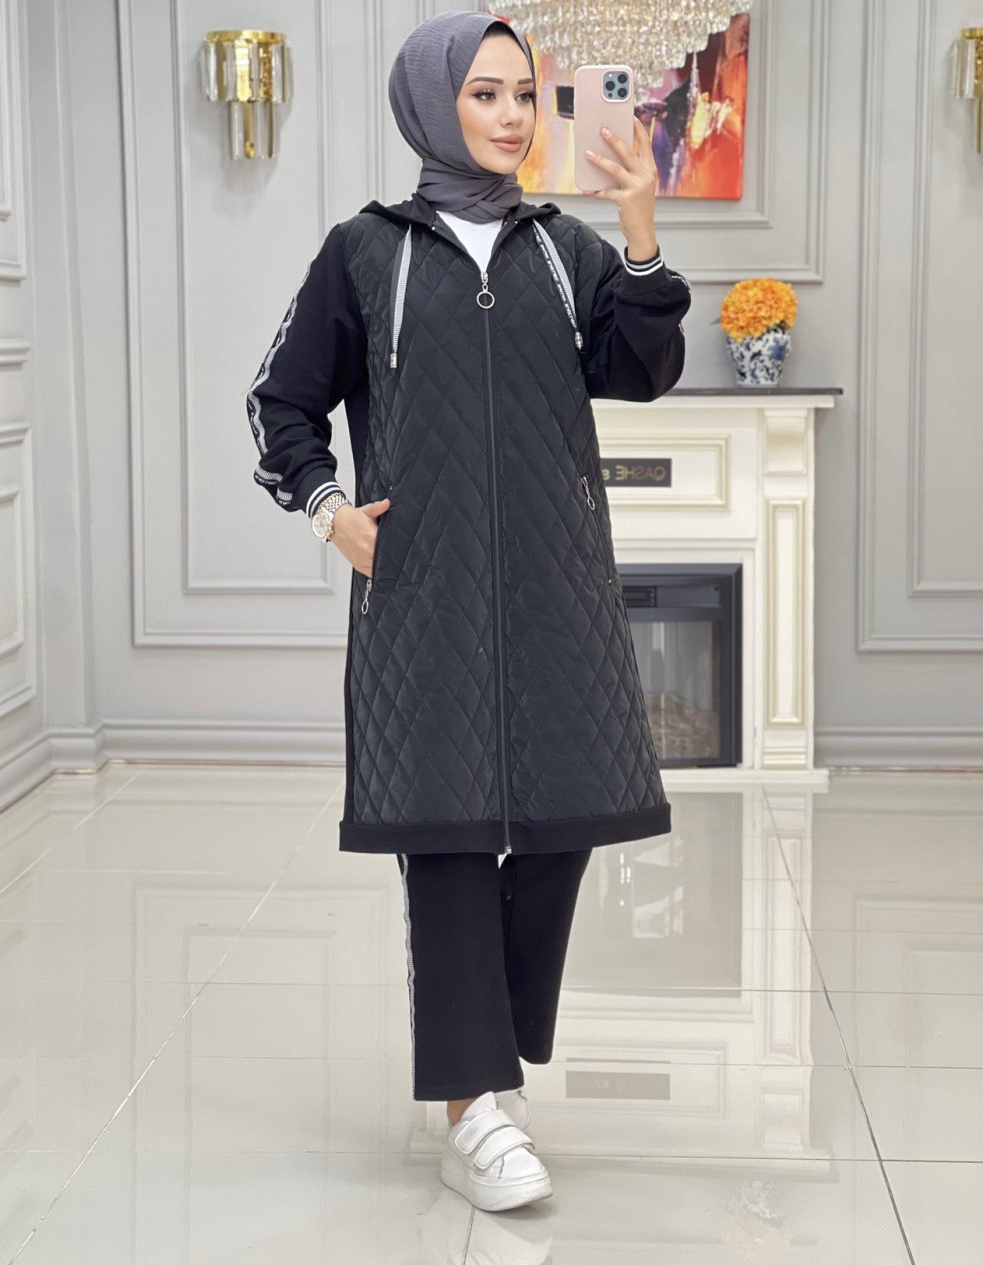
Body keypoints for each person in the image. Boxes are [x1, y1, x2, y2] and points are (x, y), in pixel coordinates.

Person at [245, 10, 691, 1213]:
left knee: (560, 824)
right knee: (444, 840)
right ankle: (472, 1109)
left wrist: (639, 230)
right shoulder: (364, 252)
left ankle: (490, 1070)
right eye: (483, 93)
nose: (508, 115)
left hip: (556, 588)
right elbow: (278, 402)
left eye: (522, 94)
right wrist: (329, 510)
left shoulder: (562, 249)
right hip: (425, 599)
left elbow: (639, 371)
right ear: (432, 105)